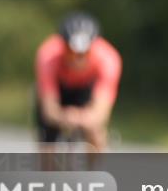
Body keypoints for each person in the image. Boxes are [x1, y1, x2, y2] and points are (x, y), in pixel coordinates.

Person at [35, 11, 122, 155]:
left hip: (86, 89)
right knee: (47, 148)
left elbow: (101, 112)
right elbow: (49, 110)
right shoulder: (48, 55)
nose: (77, 59)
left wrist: (83, 118)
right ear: (63, 45)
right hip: (59, 89)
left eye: (83, 53)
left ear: (93, 46)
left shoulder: (109, 59)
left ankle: (94, 173)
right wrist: (64, 117)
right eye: (72, 52)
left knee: (96, 134)